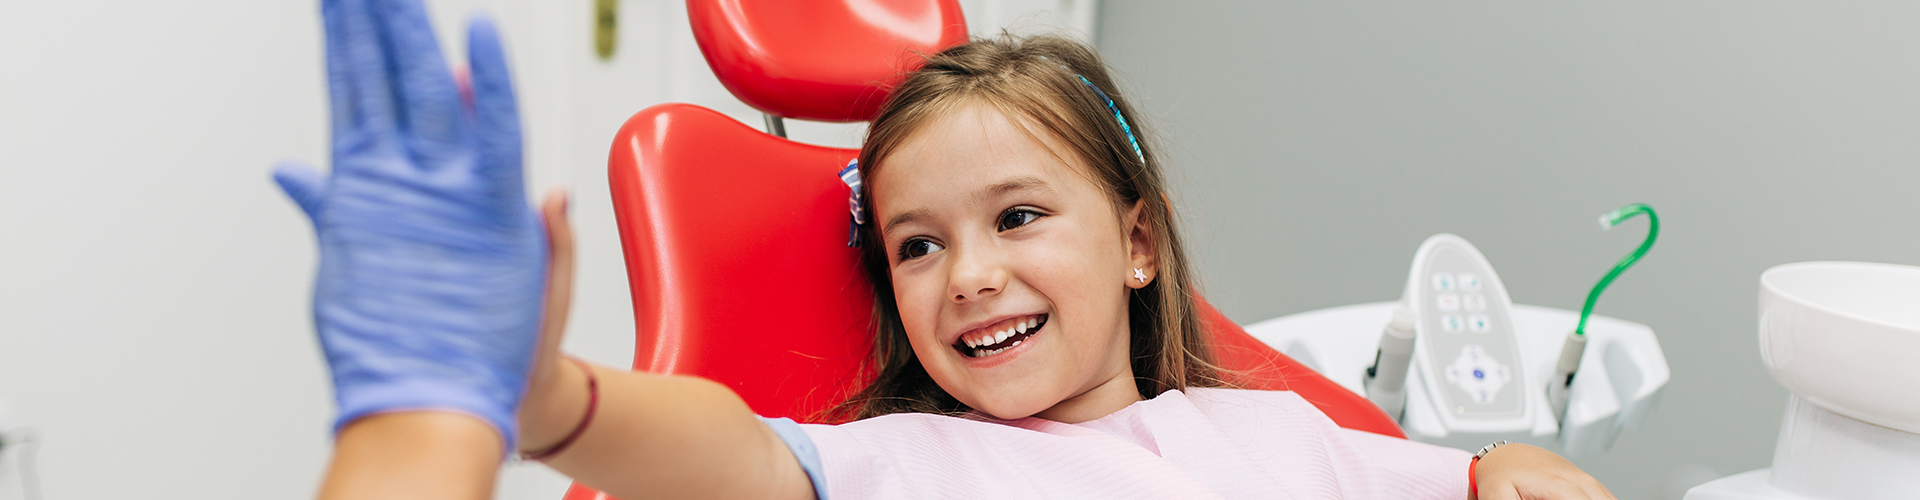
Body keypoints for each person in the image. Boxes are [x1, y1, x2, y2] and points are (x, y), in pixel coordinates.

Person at [276, 1, 1618, 499]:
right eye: (917, 248)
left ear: (1141, 241)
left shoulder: (1275, 436)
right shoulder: (913, 462)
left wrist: (1527, 464)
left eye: (1019, 218)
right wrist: (548, 403)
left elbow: (1476, 476)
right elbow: (739, 457)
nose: (967, 272)